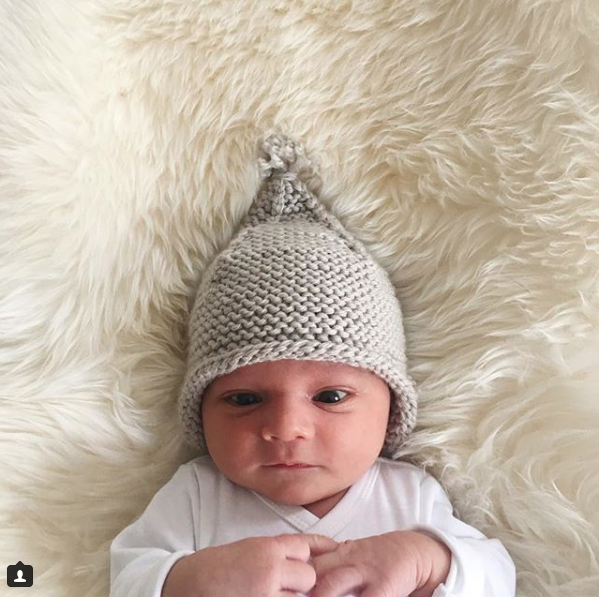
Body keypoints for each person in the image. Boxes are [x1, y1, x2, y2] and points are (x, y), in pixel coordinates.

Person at [109, 132, 516, 597]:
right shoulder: (197, 495)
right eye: (244, 399)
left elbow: (497, 578)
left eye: (330, 396)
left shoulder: (410, 497)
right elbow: (127, 578)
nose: (286, 428)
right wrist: (190, 581)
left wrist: (431, 562)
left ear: (392, 407)